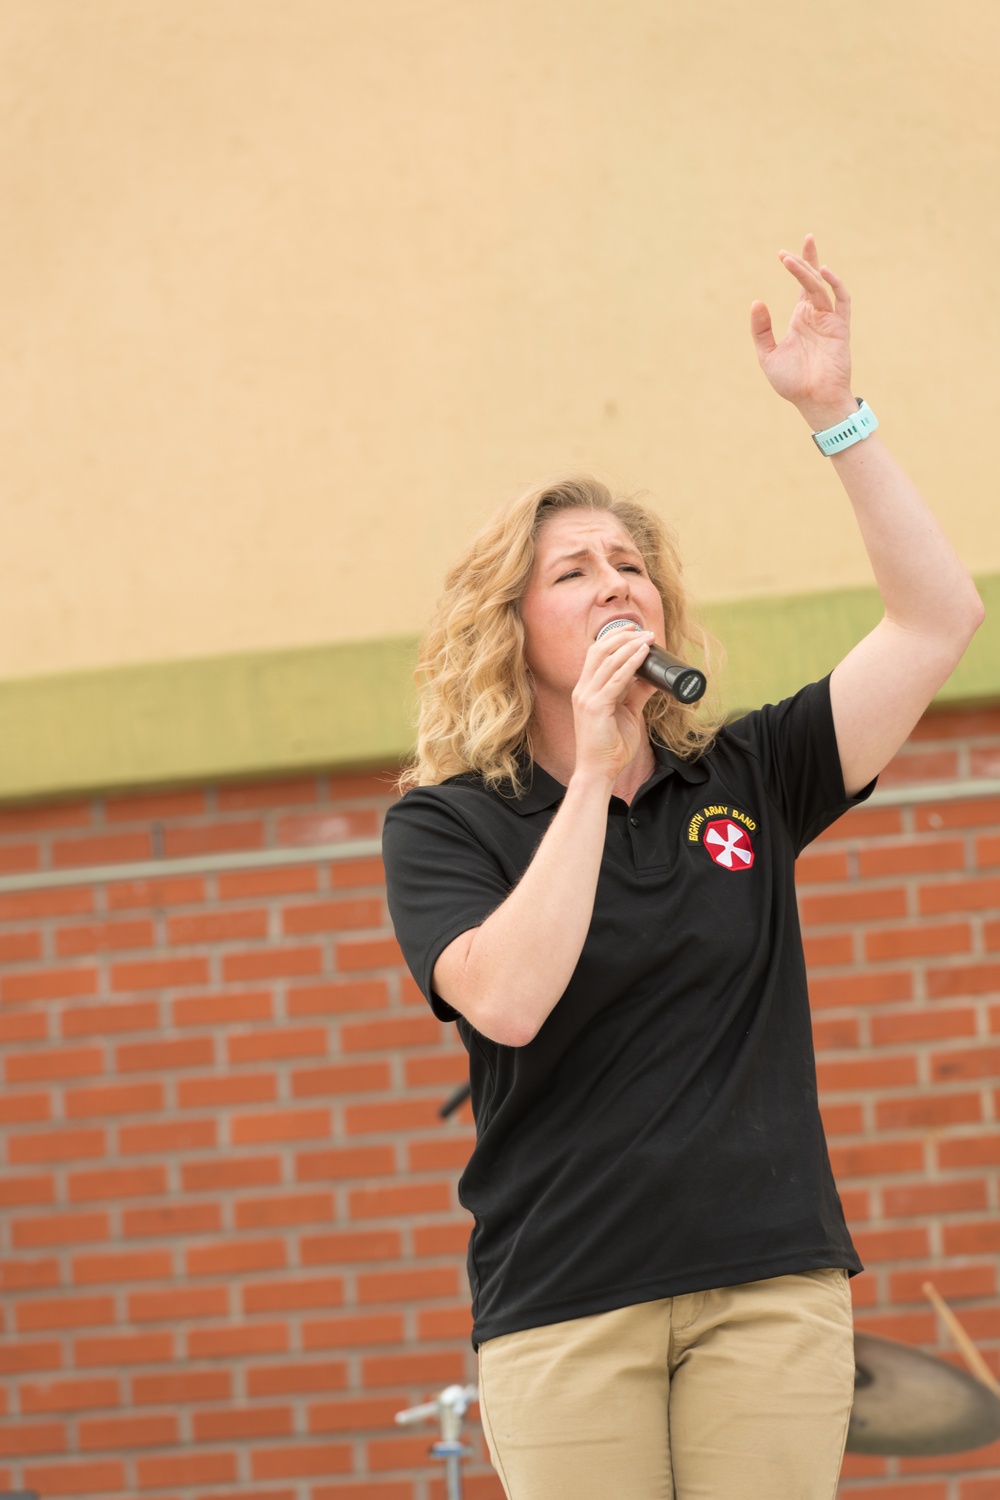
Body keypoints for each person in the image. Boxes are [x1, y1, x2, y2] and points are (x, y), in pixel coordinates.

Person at [381, 237, 983, 1500]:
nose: (617, 584)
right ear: (513, 628)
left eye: (632, 565)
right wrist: (594, 777)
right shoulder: (448, 825)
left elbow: (937, 619)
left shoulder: (748, 776)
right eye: (575, 570)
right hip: (568, 1302)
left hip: (769, 1283)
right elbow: (508, 997)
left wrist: (836, 417)